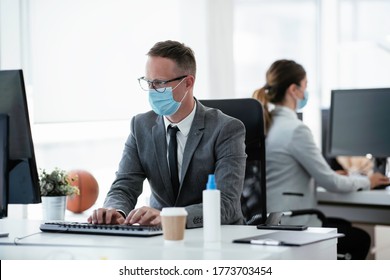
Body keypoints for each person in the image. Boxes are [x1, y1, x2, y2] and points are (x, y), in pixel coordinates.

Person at [88, 40, 246, 228]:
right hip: (159, 237)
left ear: (188, 83)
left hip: (215, 236)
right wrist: (115, 210)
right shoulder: (140, 126)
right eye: (148, 82)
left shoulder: (226, 129)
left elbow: (226, 205)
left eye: (160, 83)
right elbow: (124, 185)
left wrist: (171, 217)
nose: (152, 90)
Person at [252, 59, 390, 226]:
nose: (306, 92)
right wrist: (369, 181)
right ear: (294, 90)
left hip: (272, 218)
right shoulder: (295, 130)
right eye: (305, 85)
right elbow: (332, 183)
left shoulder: (268, 124)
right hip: (292, 221)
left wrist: (321, 175)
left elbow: (283, 173)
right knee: (358, 240)